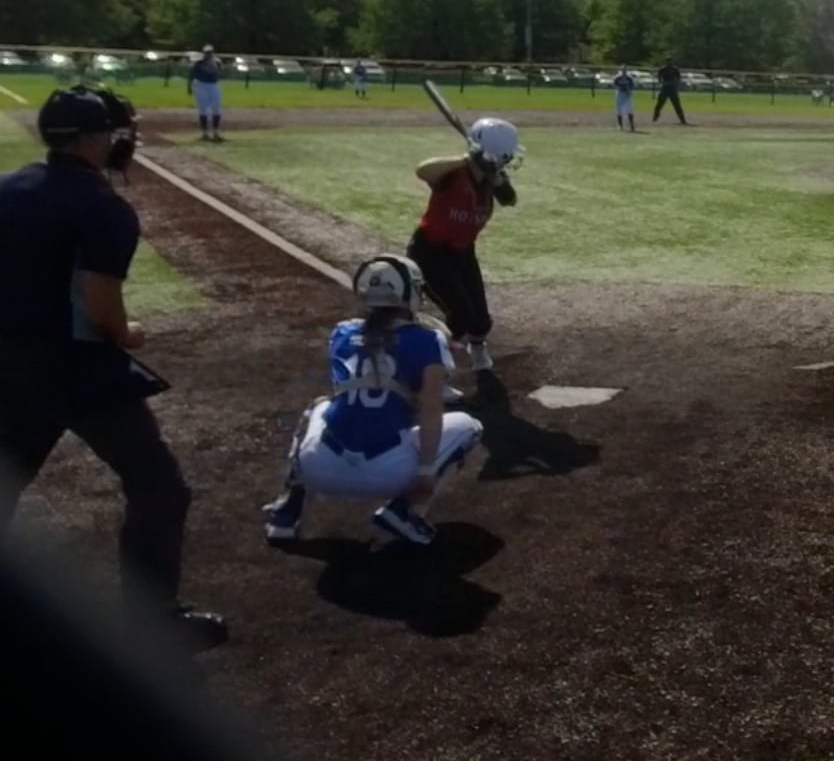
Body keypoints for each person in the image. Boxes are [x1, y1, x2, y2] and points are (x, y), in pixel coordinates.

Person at [0, 86, 226, 651]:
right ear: (94, 139)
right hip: (72, 366)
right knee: (158, 487)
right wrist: (128, 333)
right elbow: (101, 309)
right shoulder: (105, 208)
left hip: (8, 360)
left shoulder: (10, 187)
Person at [262, 256, 484, 546]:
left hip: (320, 467)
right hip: (387, 473)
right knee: (469, 427)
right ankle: (405, 511)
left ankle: (285, 511)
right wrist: (426, 472)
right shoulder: (428, 339)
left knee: (319, 407)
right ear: (409, 293)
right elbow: (431, 407)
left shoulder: (342, 332)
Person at [406, 118, 522, 388]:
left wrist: (494, 176)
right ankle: (433, 374)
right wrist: (466, 159)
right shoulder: (452, 175)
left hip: (462, 253)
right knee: (459, 317)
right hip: (430, 251)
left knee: (480, 320)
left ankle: (477, 351)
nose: (506, 162)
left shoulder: (492, 180)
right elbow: (423, 170)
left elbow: (510, 199)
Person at [187, 46, 223, 142]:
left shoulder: (217, 62)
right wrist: (189, 86)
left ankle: (215, 133)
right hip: (201, 85)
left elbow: (219, 73)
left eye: (210, 52)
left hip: (213, 84)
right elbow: (192, 74)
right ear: (203, 53)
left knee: (216, 108)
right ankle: (205, 133)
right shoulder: (198, 63)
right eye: (207, 53)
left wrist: (214, 68)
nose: (209, 54)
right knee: (203, 108)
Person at [653, 59, 688, 125]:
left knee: (677, 104)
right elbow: (659, 76)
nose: (669, 63)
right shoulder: (663, 69)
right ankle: (655, 117)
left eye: (670, 61)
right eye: (668, 61)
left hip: (672, 88)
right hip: (665, 87)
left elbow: (679, 77)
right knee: (660, 103)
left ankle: (682, 120)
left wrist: (676, 84)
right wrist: (660, 82)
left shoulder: (675, 69)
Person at [612, 67, 638, 132]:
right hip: (620, 93)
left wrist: (630, 91)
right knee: (619, 110)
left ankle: (632, 125)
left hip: (627, 95)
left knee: (629, 110)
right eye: (622, 70)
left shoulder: (629, 78)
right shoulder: (617, 77)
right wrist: (620, 88)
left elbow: (632, 85)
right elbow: (615, 85)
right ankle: (620, 125)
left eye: (625, 70)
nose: (623, 72)